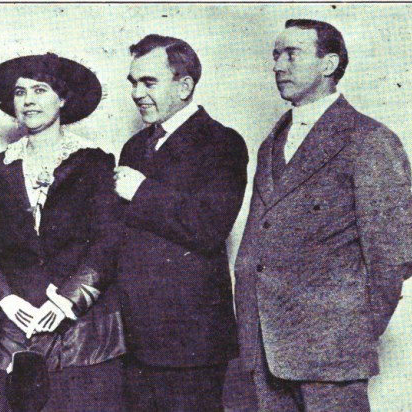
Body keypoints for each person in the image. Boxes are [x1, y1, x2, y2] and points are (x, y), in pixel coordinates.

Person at [234, 19, 412, 411]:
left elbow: (393, 256)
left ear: (328, 64)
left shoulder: (368, 140)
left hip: (331, 356)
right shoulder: (272, 142)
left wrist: (348, 335)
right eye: (276, 55)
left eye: (292, 54)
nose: (278, 66)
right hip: (265, 350)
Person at [0, 52, 126, 411]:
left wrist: (68, 300)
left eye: (40, 90)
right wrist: (5, 299)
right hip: (9, 333)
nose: (29, 101)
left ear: (63, 99)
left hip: (82, 338)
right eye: (20, 92)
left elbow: (108, 242)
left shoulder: (95, 163)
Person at [115, 34, 248, 411]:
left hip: (191, 343)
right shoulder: (134, 146)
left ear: (185, 85)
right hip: (136, 337)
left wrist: (141, 191)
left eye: (149, 82)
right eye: (133, 83)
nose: (137, 93)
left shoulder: (222, 142)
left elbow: (209, 227)